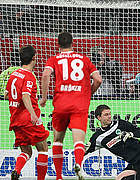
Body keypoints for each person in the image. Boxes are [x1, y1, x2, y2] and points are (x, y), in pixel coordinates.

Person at [39, 32, 102, 180]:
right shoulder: (84, 59)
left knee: (58, 141)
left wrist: (43, 97)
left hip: (61, 104)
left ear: (58, 44)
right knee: (79, 141)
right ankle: (78, 164)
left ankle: (59, 176)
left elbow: (46, 75)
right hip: (79, 104)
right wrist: (88, 93)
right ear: (73, 43)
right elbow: (98, 79)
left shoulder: (54, 59)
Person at [5, 45, 49, 180]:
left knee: (26, 151)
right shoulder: (29, 76)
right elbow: (25, 95)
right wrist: (32, 114)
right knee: (43, 149)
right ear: (34, 58)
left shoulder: (14, 74)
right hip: (27, 119)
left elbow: (7, 95)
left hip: (16, 120)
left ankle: (17, 171)